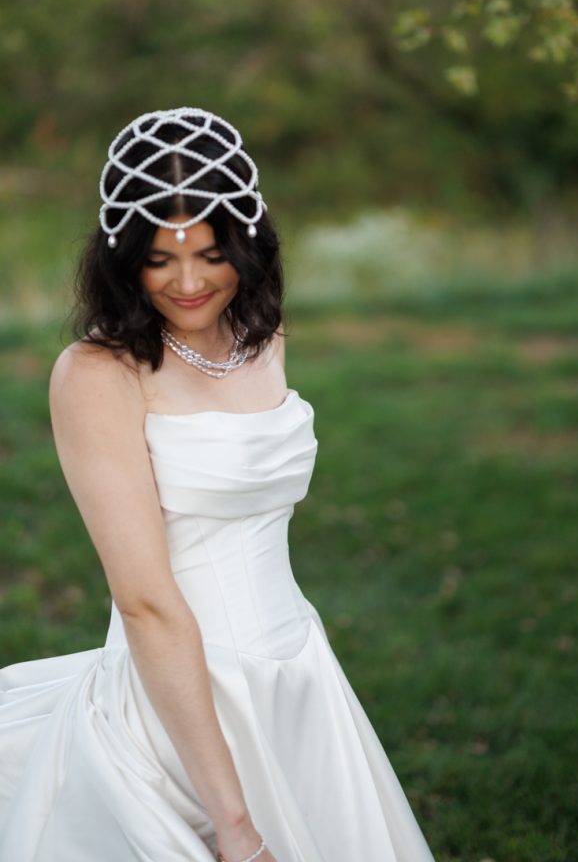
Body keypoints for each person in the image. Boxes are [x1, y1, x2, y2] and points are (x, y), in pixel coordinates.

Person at [0, 108, 437, 862]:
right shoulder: (98, 374)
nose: (190, 282)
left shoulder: (261, 337)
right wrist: (231, 820)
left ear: (247, 242)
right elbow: (145, 601)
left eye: (211, 253)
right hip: (180, 695)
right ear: (122, 259)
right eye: (158, 260)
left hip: (297, 671)